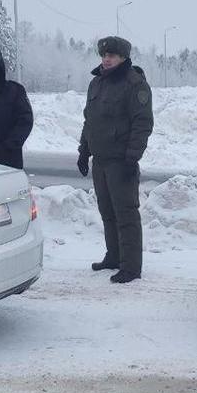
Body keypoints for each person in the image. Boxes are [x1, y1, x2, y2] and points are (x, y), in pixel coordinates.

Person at [77, 36, 153, 283]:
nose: (106, 59)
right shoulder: (96, 83)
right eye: (104, 55)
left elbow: (142, 124)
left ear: (123, 58)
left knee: (126, 213)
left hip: (121, 162)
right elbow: (90, 121)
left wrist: (132, 158)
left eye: (112, 56)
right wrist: (83, 151)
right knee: (107, 211)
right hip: (99, 161)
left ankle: (131, 267)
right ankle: (114, 256)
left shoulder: (135, 84)